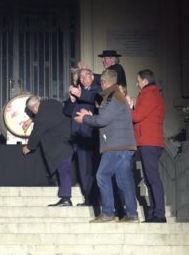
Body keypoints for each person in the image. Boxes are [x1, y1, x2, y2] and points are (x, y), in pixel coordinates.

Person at [75, 69, 138, 223]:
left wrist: (85, 119)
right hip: (123, 144)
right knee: (124, 179)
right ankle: (131, 214)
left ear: (104, 83)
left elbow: (102, 120)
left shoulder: (114, 97)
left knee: (102, 175)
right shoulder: (117, 95)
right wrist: (90, 116)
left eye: (100, 83)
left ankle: (108, 212)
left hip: (115, 146)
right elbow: (105, 116)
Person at [127, 69, 166, 223]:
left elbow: (136, 116)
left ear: (144, 80)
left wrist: (129, 106)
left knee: (152, 179)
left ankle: (159, 214)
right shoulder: (154, 94)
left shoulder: (149, 94)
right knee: (150, 180)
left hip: (149, 142)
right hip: (150, 141)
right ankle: (154, 213)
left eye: (137, 81)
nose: (136, 85)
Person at [22, 95, 74, 206]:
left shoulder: (40, 117)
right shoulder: (52, 102)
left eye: (32, 112)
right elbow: (50, 116)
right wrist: (31, 119)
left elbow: (36, 134)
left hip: (59, 145)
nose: (33, 113)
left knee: (63, 170)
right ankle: (64, 196)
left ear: (34, 108)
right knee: (63, 169)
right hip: (69, 140)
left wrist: (29, 147)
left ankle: (66, 198)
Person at [63, 68, 101, 206]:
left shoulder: (97, 89)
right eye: (81, 77)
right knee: (83, 170)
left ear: (92, 77)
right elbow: (67, 111)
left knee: (93, 169)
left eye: (86, 76)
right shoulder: (78, 91)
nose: (83, 79)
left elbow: (96, 99)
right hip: (78, 137)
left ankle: (95, 199)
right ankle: (89, 199)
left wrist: (80, 94)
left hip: (91, 136)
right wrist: (72, 99)